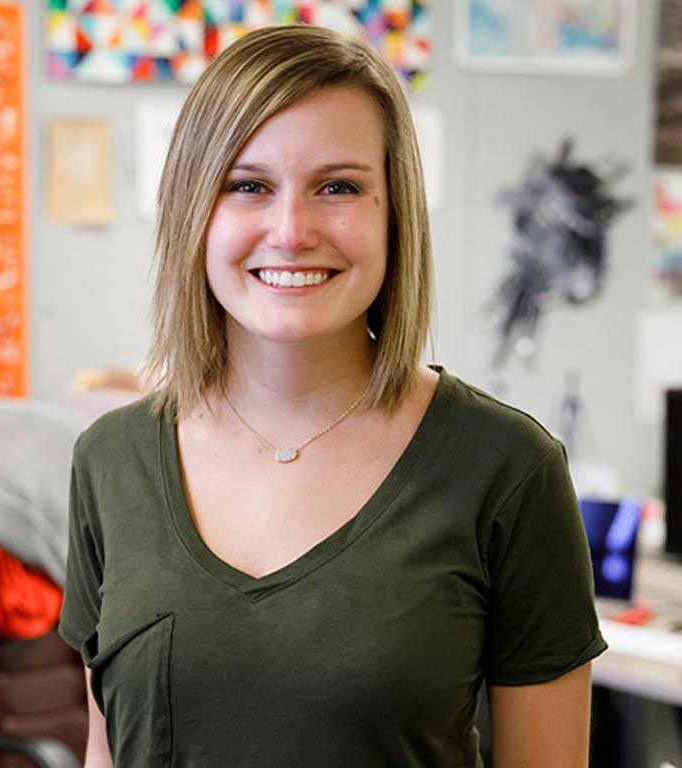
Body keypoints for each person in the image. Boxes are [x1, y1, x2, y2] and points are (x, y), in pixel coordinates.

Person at [58, 24, 606, 768]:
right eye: (248, 186)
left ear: (393, 216)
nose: (291, 230)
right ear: (196, 211)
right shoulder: (110, 459)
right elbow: (104, 750)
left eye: (339, 187)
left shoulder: (508, 468)